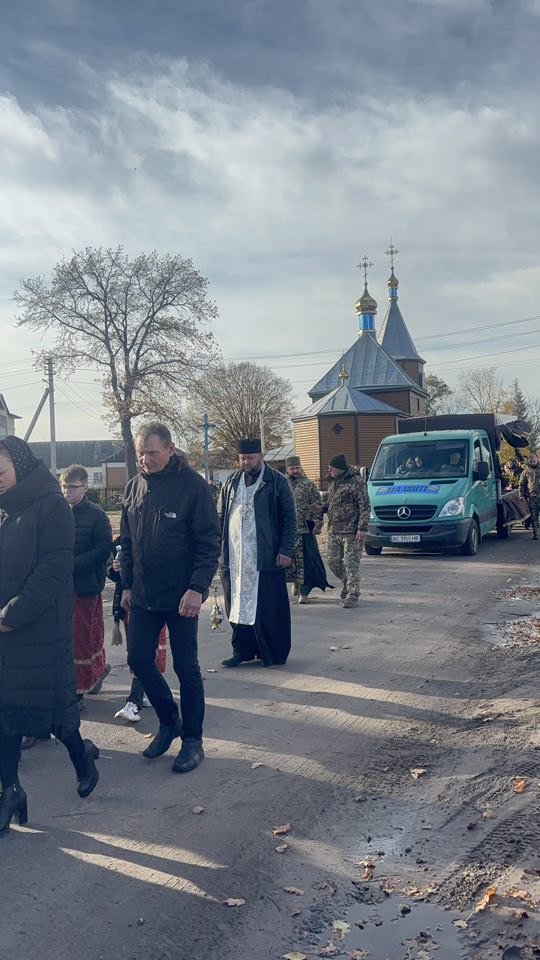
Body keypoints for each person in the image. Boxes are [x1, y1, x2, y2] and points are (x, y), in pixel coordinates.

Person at [0, 437, 99, 836]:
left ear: (20, 468)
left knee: (55, 714)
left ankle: (83, 756)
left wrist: (11, 615)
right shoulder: (8, 509)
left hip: (38, 629)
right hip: (6, 628)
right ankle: (9, 791)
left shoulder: (52, 506)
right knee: (5, 716)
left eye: (0, 473)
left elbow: (53, 572)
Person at [120, 422, 220, 773]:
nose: (146, 459)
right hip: (145, 594)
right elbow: (128, 544)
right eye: (141, 453)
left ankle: (193, 740)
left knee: (186, 668)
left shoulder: (193, 488)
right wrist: (127, 586)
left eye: (152, 452)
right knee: (139, 659)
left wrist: (197, 589)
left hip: (182, 597)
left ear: (171, 448)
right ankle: (169, 719)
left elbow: (209, 543)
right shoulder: (134, 487)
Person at [218, 438, 297, 667]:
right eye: (242, 459)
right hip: (234, 557)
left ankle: (272, 652)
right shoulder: (231, 483)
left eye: (250, 458)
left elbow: (290, 518)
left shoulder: (276, 481)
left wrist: (285, 549)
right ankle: (241, 650)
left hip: (265, 555)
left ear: (260, 457)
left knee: (267, 606)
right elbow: (220, 517)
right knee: (236, 604)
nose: (246, 463)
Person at [61, 465, 113, 708]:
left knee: (85, 638)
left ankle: (80, 690)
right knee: (67, 639)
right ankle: (85, 678)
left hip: (86, 584)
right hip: (62, 587)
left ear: (85, 488)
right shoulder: (59, 512)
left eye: (72, 487)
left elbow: (103, 549)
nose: (67, 492)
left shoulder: (97, 515)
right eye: (64, 487)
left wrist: (74, 564)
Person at [107, 540, 167, 724]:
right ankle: (146, 691)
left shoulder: (159, 534)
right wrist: (117, 569)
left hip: (155, 602)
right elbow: (116, 576)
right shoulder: (123, 541)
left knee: (147, 652)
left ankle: (133, 702)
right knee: (136, 653)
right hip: (132, 605)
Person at [325, 454, 370, 609]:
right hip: (334, 530)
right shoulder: (333, 482)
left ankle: (353, 595)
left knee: (351, 564)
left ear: (339, 469)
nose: (329, 470)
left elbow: (365, 506)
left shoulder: (356, 482)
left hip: (352, 531)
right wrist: (322, 508)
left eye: (331, 468)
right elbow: (332, 504)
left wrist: (362, 528)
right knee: (333, 562)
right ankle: (347, 582)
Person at [285, 455, 331, 603]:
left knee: (307, 561)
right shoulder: (283, 484)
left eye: (297, 468)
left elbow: (317, 506)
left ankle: (304, 591)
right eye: (292, 468)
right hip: (287, 531)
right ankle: (296, 583)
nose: (295, 471)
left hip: (305, 529)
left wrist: (318, 525)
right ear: (287, 469)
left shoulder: (308, 485)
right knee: (291, 561)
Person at [519, 453, 540, 540]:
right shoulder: (526, 471)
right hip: (532, 496)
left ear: (537, 460)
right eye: (531, 461)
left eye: (534, 460)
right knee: (534, 516)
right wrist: (521, 494)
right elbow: (522, 484)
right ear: (529, 461)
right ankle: (536, 534)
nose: (532, 462)